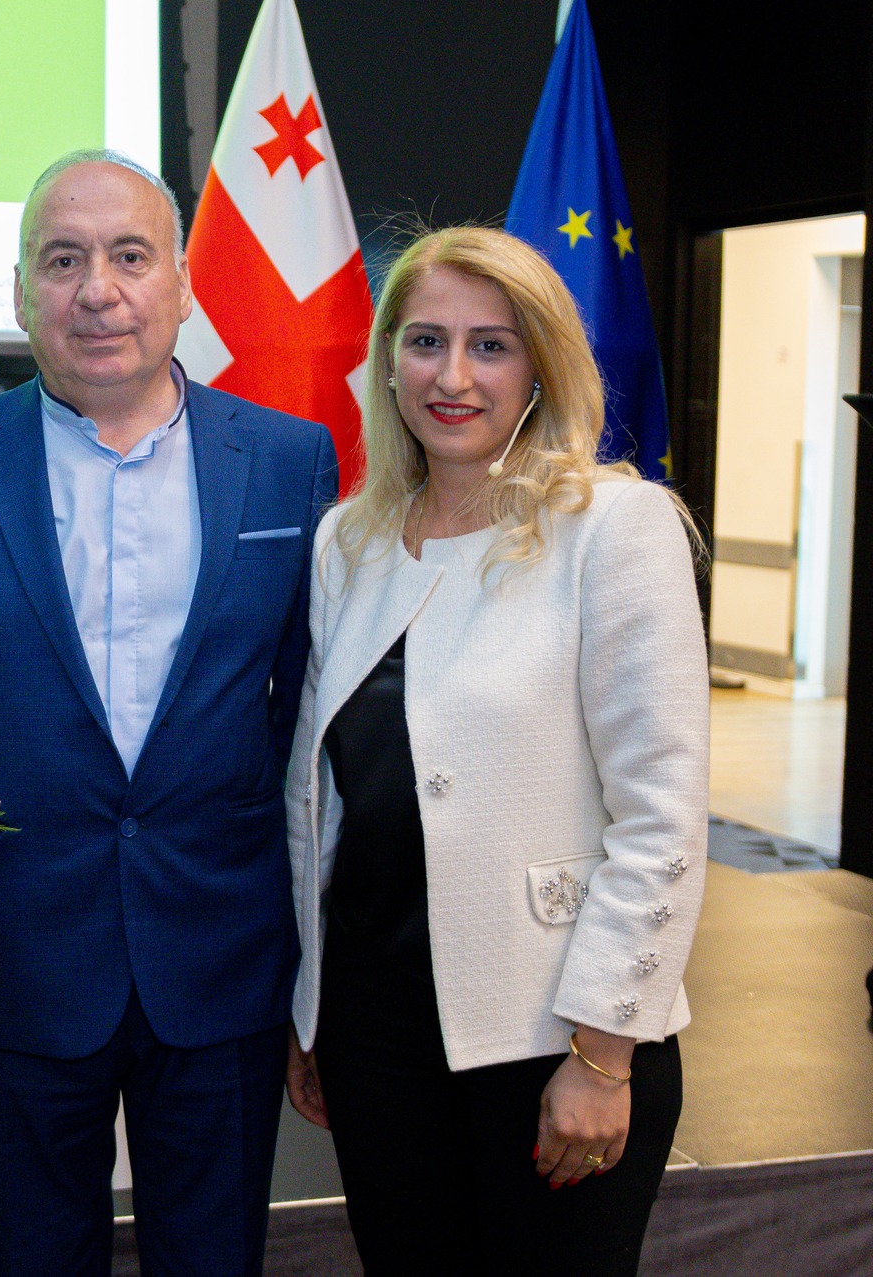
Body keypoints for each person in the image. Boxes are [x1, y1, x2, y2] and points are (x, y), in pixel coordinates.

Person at [0, 150, 339, 1275]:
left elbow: (305, 731)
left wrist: (320, 966)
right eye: (62, 261)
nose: (97, 291)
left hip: (222, 955)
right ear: (20, 295)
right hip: (16, 956)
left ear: (182, 284)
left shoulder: (287, 462)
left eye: (129, 256)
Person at [281, 227, 706, 1274]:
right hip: (377, 1034)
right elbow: (326, 803)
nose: (453, 376)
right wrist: (312, 1011)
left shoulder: (613, 528)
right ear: (388, 360)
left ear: (539, 366)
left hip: (554, 1034)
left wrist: (603, 1053)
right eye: (426, 341)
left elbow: (660, 816)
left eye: (491, 345)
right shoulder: (346, 543)